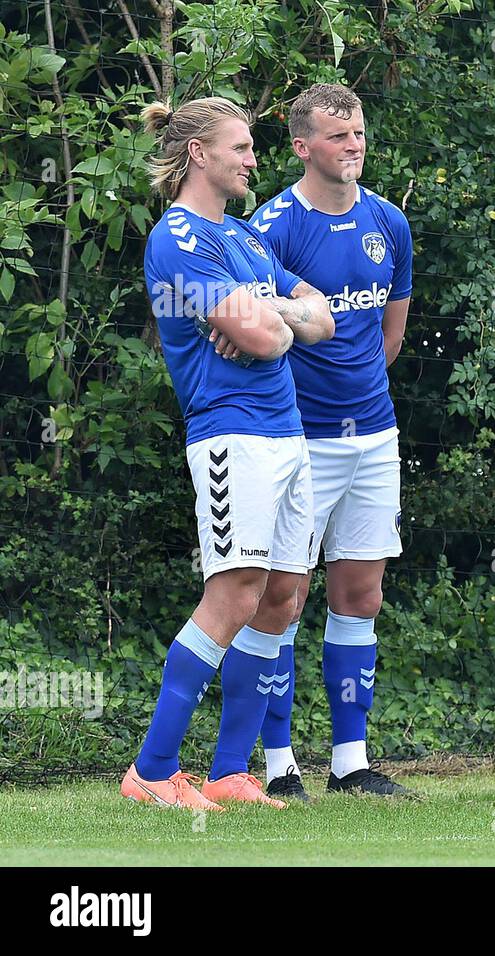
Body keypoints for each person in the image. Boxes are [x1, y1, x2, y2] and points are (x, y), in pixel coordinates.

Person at [122, 96, 333, 810]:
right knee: (234, 592)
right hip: (231, 434)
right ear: (198, 155)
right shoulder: (179, 239)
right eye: (240, 148)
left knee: (282, 596)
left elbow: (323, 318)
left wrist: (265, 310)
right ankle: (151, 772)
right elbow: (277, 339)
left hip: (286, 432)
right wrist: (276, 318)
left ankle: (229, 772)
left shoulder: (245, 239)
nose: (252, 159)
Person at [249, 83, 414, 800]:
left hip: (374, 438)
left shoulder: (389, 222)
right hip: (297, 442)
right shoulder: (271, 227)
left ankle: (350, 760)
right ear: (302, 146)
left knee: (361, 595)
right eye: (338, 136)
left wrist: (358, 398)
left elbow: (390, 331)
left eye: (359, 133)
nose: (354, 146)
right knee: (282, 596)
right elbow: (253, 338)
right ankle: (277, 764)